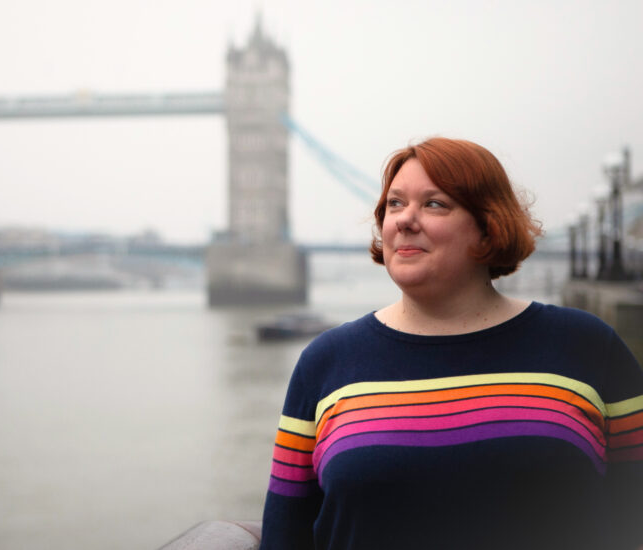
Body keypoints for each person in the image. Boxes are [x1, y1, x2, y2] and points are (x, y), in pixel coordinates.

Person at [258, 137, 643, 550]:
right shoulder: (325, 363)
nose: (404, 220)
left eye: (434, 204)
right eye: (394, 204)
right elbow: (285, 533)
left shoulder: (587, 346)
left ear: (488, 226)